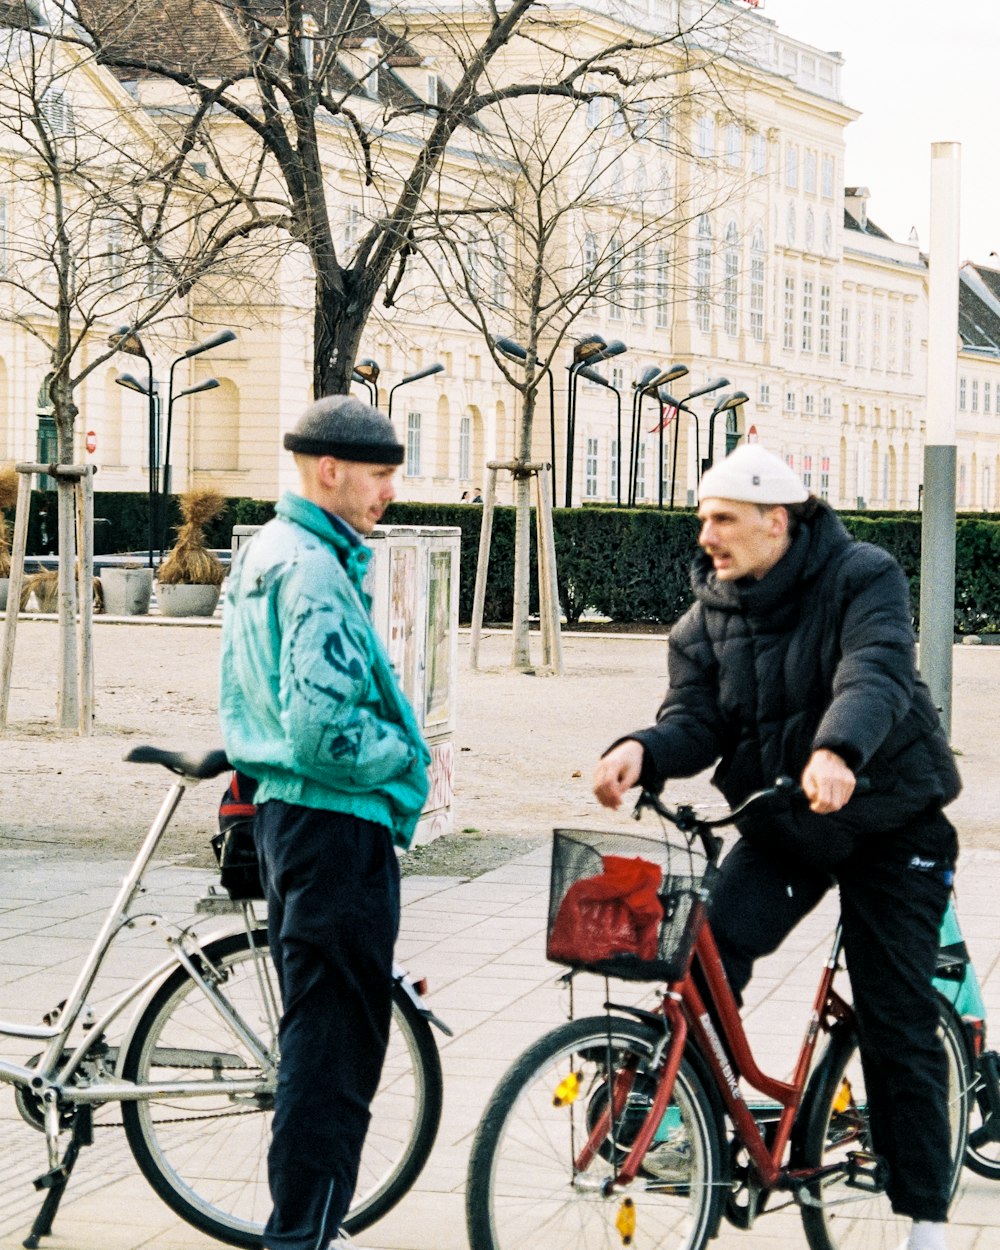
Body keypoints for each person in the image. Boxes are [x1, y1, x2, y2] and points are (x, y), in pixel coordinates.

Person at [593, 443, 960, 1250]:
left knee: (894, 1019)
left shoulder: (862, 576)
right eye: (702, 519)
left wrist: (838, 752)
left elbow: (876, 671)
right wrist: (642, 751)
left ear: (776, 520)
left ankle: (925, 1218)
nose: (706, 537)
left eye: (722, 520)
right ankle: (694, 1125)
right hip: (788, 822)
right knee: (705, 957)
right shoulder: (704, 618)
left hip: (889, 818)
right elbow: (697, 720)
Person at [219, 395, 431, 1250]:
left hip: (287, 821)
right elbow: (325, 732)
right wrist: (404, 755)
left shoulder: (268, 550)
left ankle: (303, 1226)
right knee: (334, 1059)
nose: (388, 492)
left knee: (316, 1038)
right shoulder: (310, 567)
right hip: (334, 825)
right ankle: (301, 1236)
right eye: (379, 476)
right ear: (329, 470)